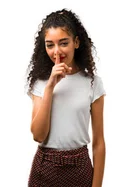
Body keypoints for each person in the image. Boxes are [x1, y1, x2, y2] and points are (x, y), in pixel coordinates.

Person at [26, 9, 105, 187]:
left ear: (76, 42)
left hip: (80, 168)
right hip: (44, 168)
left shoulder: (93, 83)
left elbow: (99, 142)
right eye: (50, 45)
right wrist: (50, 86)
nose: (57, 51)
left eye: (63, 43)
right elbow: (38, 135)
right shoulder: (40, 83)